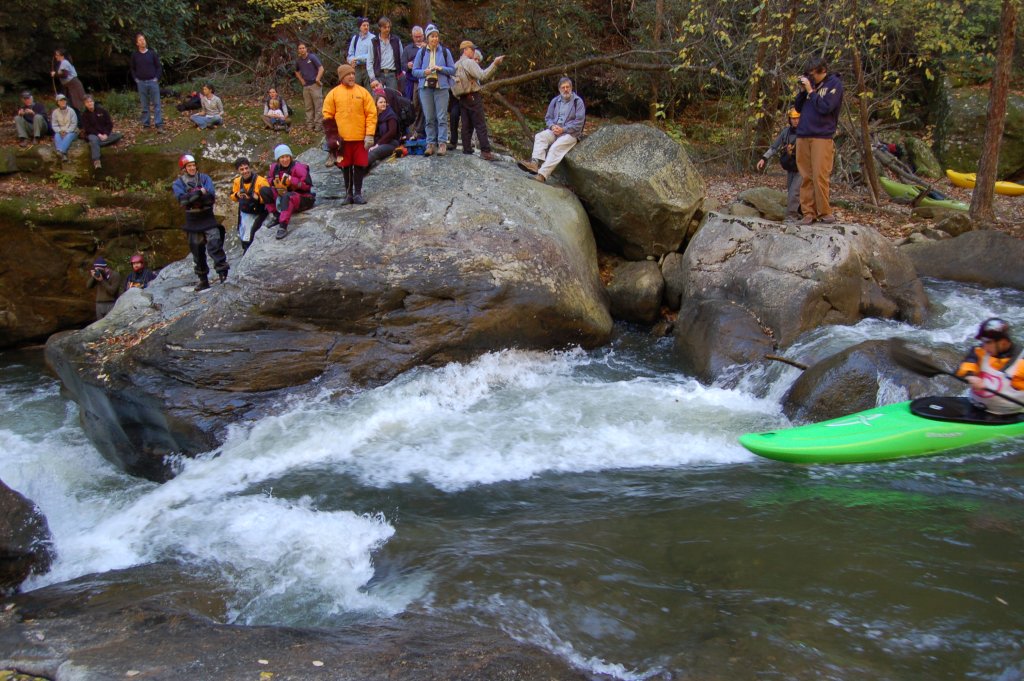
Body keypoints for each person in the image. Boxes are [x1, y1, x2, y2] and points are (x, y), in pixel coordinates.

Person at [794, 58, 843, 225]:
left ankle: (824, 212)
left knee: (819, 175)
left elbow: (826, 108)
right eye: (809, 74)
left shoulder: (834, 84)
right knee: (806, 176)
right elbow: (798, 107)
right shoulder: (809, 88)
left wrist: (811, 91)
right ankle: (808, 213)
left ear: (822, 71)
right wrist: (803, 91)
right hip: (803, 134)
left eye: (813, 74)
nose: (811, 77)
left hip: (822, 136)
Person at [172, 154, 229, 290]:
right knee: (197, 251)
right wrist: (198, 193)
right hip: (192, 220)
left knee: (215, 244)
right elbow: (183, 201)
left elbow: (210, 197)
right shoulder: (178, 183)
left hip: (207, 217)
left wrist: (192, 197)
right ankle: (203, 279)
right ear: (184, 169)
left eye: (193, 165)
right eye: (189, 166)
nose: (192, 168)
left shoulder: (204, 178)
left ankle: (223, 274)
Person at [323, 65, 377, 204]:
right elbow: (327, 116)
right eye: (348, 74)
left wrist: (369, 134)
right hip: (342, 140)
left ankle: (358, 193)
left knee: (359, 165)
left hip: (360, 138)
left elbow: (371, 114)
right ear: (342, 77)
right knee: (345, 166)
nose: (352, 76)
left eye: (353, 73)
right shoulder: (333, 94)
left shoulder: (363, 92)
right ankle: (348, 194)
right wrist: (332, 137)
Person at [518, 78, 586, 183]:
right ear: (559, 89)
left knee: (555, 148)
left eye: (567, 87)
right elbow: (548, 118)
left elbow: (579, 123)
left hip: (571, 133)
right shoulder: (555, 101)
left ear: (571, 88)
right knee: (540, 136)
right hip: (555, 130)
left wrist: (563, 129)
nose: (566, 89)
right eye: (563, 87)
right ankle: (534, 164)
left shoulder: (578, 102)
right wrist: (552, 126)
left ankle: (542, 175)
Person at [956, 318, 1024, 416]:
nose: (984, 346)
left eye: (988, 342)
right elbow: (965, 367)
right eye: (983, 342)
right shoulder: (980, 351)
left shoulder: (1021, 361)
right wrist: (971, 376)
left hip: (1010, 415)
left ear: (1003, 342)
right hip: (974, 405)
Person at [452, 40, 504, 160]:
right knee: (480, 124)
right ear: (465, 50)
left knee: (466, 124)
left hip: (462, 97)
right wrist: (495, 64)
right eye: (472, 49)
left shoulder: (455, 64)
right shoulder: (469, 62)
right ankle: (485, 151)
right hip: (473, 96)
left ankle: (466, 148)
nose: (474, 51)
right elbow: (482, 75)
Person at [411, 24, 456, 156]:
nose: (435, 39)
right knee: (429, 117)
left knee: (441, 116)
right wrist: (424, 72)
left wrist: (441, 68)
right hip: (425, 88)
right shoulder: (421, 52)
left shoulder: (445, 52)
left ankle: (442, 143)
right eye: (432, 36)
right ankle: (430, 143)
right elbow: (414, 71)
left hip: (441, 87)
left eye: (436, 36)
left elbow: (453, 70)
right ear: (427, 38)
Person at [259, 144, 315, 239]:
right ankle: (277, 216)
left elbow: (307, 185)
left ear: (290, 157)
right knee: (264, 190)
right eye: (282, 157)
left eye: (287, 156)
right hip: (283, 194)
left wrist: (292, 180)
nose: (285, 160)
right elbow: (269, 179)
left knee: (287, 196)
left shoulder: (298, 167)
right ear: (278, 159)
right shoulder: (274, 168)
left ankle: (283, 226)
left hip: (303, 198)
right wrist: (275, 182)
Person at [756, 108, 802, 222]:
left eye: (798, 118)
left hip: (803, 167)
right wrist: (764, 158)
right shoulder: (786, 132)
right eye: (793, 118)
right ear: (789, 119)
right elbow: (774, 147)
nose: (796, 121)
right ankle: (800, 213)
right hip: (791, 166)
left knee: (794, 192)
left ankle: (791, 216)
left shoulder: (806, 132)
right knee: (791, 190)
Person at [230, 156, 270, 252]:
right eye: (241, 169)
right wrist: (237, 195)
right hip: (244, 211)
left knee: (250, 235)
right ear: (238, 171)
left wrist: (256, 198)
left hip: (259, 211)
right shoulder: (237, 181)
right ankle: (246, 251)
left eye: (246, 168)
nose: (245, 171)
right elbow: (232, 196)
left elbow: (269, 198)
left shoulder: (261, 181)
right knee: (243, 234)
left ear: (250, 167)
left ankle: (249, 251)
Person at [130, 33, 164, 132]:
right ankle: (146, 125)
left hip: (152, 81)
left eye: (143, 39)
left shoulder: (152, 53)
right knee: (144, 105)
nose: (142, 41)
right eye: (140, 40)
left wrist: (156, 78)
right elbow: (132, 68)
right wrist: (136, 79)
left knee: (157, 104)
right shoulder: (135, 55)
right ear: (137, 43)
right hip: (141, 82)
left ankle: (159, 125)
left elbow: (158, 67)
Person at [79, 95, 123, 169]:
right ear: (85, 104)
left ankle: (94, 145)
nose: (90, 103)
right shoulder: (84, 115)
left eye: (91, 101)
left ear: (93, 102)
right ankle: (96, 161)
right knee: (94, 139)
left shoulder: (102, 111)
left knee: (118, 135)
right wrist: (98, 134)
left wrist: (106, 134)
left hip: (104, 133)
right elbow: (88, 128)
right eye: (87, 102)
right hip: (93, 134)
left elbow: (109, 124)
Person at [401, 26, 426, 138]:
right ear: (412, 37)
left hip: (425, 79)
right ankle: (412, 131)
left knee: (424, 106)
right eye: (416, 37)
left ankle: (421, 131)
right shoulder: (408, 49)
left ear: (423, 36)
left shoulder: (428, 47)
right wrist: (408, 65)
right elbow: (402, 65)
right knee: (414, 105)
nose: (418, 39)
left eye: (420, 36)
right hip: (413, 81)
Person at [294, 43, 324, 131]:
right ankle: (309, 125)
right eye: (300, 48)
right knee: (308, 107)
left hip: (315, 85)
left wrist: (318, 79)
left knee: (318, 106)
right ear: (298, 50)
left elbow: (321, 68)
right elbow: (296, 71)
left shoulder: (312, 57)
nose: (302, 50)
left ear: (306, 49)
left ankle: (318, 125)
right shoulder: (298, 61)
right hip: (306, 86)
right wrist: (301, 80)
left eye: (303, 48)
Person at [368, 16, 402, 92]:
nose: (387, 29)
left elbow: (401, 57)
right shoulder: (374, 42)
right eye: (385, 27)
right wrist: (372, 78)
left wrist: (400, 73)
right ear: (380, 28)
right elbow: (369, 61)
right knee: (378, 97)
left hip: (392, 75)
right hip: (378, 75)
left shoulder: (396, 40)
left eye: (388, 27)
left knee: (393, 97)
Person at [367, 95, 399, 169]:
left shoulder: (390, 115)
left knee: (375, 151)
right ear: (376, 104)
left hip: (390, 143)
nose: (383, 104)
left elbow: (392, 132)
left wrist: (378, 144)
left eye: (384, 102)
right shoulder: (375, 115)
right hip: (378, 141)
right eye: (381, 102)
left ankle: (360, 167)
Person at [347, 17, 376, 90]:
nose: (366, 27)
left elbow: (372, 55)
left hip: (368, 68)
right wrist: (351, 61)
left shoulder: (373, 38)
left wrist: (357, 58)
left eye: (367, 25)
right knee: (355, 89)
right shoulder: (355, 38)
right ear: (360, 27)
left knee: (369, 90)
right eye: (364, 25)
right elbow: (350, 54)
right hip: (357, 69)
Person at [51, 94, 78, 162]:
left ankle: (60, 151)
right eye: (61, 100)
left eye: (64, 100)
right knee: (56, 135)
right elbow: (54, 125)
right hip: (60, 131)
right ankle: (63, 155)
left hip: (72, 131)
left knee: (69, 136)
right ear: (57, 102)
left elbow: (74, 124)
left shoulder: (71, 111)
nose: (63, 102)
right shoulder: (55, 112)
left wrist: (67, 131)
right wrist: (59, 131)